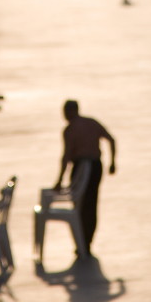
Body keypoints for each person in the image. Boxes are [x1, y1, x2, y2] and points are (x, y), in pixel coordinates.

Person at [54, 100, 116, 259]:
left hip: (82, 167)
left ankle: (83, 242)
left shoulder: (70, 130)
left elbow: (66, 156)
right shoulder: (91, 123)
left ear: (71, 111)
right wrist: (112, 163)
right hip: (95, 167)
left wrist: (59, 180)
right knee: (91, 203)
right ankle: (86, 241)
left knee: (81, 205)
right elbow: (111, 139)